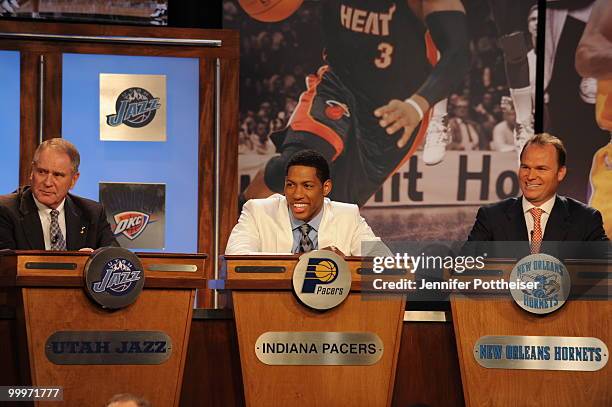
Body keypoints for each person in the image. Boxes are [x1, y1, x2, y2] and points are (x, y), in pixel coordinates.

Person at [243, 0, 470, 207]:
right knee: (293, 166)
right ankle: (230, 223)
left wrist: (417, 105)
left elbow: (458, 53)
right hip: (340, 85)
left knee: (336, 209)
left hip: (395, 113)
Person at [464, 133, 609, 258]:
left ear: (560, 173)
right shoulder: (491, 217)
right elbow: (463, 269)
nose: (531, 176)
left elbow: (605, 271)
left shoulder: (586, 219)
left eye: (541, 168)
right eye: (525, 167)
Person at [226, 150, 383, 256]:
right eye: (291, 185)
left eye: (307, 186)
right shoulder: (258, 212)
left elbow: (382, 263)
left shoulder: (347, 216)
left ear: (326, 187)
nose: (297, 194)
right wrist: (308, 261)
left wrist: (344, 265)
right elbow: (236, 256)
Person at [0, 138, 118, 250]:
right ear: (32, 172)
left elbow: (118, 260)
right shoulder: (6, 210)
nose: (47, 182)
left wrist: (94, 260)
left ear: (73, 180)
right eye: (42, 172)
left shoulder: (92, 213)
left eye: (57, 175)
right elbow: (6, 264)